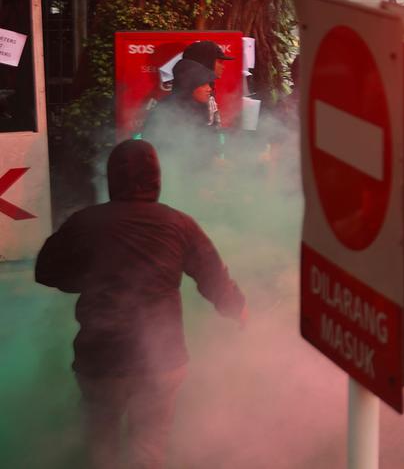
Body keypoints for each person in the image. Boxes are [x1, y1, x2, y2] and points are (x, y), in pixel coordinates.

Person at [34, 139, 246, 469]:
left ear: (112, 179)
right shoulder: (179, 224)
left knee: (100, 444)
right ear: (156, 178)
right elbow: (213, 278)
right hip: (163, 361)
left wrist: (86, 281)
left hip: (99, 359)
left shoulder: (85, 222)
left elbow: (45, 271)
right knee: (148, 450)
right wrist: (239, 310)